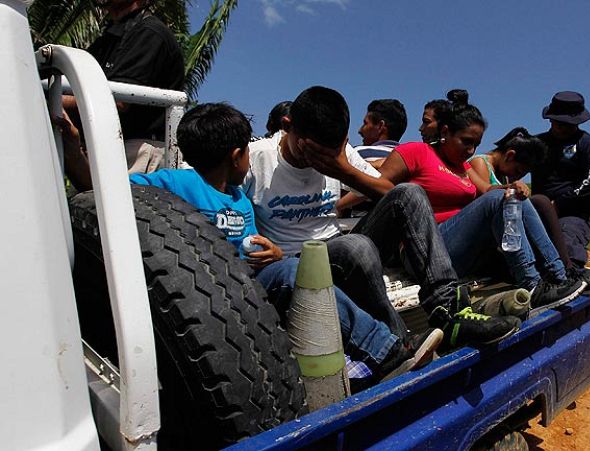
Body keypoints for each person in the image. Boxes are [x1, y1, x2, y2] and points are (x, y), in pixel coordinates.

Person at [57, 102, 440, 383]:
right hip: (220, 289)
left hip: (258, 283)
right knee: (292, 272)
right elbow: (102, 189)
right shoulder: (179, 184)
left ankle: (375, 354)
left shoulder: (240, 197)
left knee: (293, 269)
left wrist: (272, 251)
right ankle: (386, 350)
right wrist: (74, 148)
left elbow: (258, 243)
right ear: (238, 155)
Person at [244, 86, 521, 350]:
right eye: (309, 150)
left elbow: (390, 193)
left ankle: (448, 311)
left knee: (409, 193)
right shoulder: (256, 159)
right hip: (291, 260)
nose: (316, 161)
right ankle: (399, 344)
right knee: (357, 247)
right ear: (287, 125)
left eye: (331, 151)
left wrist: (343, 170)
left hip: (336, 247)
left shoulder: (342, 155)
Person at [357, 90, 586, 309]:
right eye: (466, 141)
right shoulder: (417, 152)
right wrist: (343, 197)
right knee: (500, 199)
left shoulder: (463, 166)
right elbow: (381, 187)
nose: (471, 150)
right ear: (445, 132)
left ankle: (559, 275)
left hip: (457, 249)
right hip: (423, 251)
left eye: (475, 144)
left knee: (512, 196)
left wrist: (514, 187)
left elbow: (488, 189)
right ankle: (532, 284)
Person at [467, 127, 590, 294]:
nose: (517, 177)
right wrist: (511, 188)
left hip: (504, 236)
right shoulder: (480, 163)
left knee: (540, 202)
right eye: (518, 171)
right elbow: (488, 202)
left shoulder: (503, 173)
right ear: (510, 155)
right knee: (537, 201)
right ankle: (559, 273)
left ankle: (564, 271)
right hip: (490, 240)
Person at [63, 0, 185, 174]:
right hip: (107, 148)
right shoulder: (108, 40)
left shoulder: (149, 33)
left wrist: (49, 101)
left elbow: (118, 101)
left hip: (138, 153)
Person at [531, 91, 590, 290]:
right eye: (558, 122)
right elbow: (509, 162)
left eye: (568, 123)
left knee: (567, 241)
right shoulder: (538, 143)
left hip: (575, 213)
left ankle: (569, 279)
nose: (562, 127)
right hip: (538, 211)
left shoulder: (587, 143)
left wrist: (560, 203)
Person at [354, 99, 407, 169]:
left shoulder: (358, 154)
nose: (360, 130)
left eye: (365, 123)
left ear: (380, 126)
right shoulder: (411, 162)